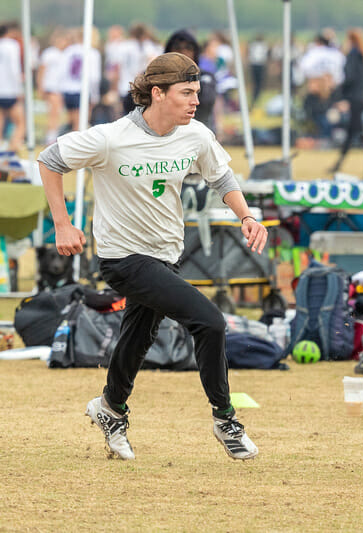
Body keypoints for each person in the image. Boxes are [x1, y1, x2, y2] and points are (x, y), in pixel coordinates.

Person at [37, 53, 266, 460]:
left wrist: (246, 215)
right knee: (209, 322)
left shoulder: (194, 134)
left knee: (137, 338)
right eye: (187, 93)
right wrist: (62, 223)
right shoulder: (111, 137)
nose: (196, 101)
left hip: (166, 254)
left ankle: (110, 408)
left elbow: (220, 176)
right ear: (157, 93)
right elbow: (50, 159)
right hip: (123, 258)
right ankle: (226, 419)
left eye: (197, 92)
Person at [329, 27, 363, 174]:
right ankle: (338, 164)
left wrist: (340, 95)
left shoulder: (352, 56)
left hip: (353, 99)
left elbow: (349, 78)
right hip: (362, 98)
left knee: (357, 132)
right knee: (354, 132)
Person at [164, 29, 217, 131]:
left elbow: (205, 102)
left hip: (198, 133)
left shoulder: (205, 76)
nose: (183, 52)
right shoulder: (156, 76)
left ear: (195, 51)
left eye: (188, 48)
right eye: (177, 48)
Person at [0, 22, 24, 152]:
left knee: (1, 119)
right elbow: (14, 69)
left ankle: (1, 148)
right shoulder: (11, 45)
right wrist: (19, 89)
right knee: (20, 123)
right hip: (9, 90)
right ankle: (12, 150)